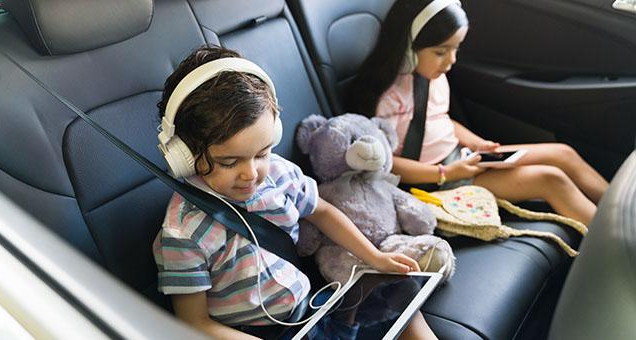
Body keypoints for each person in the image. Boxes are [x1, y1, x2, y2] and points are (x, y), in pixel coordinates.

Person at [152, 45, 437, 340]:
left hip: (315, 306)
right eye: (229, 162)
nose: (251, 174)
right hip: (261, 333)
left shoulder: (277, 173)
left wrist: (375, 257)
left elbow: (322, 211)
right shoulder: (182, 233)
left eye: (262, 153)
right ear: (184, 155)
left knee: (401, 306)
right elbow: (194, 323)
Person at [347, 0, 608, 225]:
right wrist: (446, 174)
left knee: (563, 153)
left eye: (455, 48)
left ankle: (624, 213)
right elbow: (387, 163)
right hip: (435, 183)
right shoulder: (388, 98)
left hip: (463, 160)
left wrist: (475, 143)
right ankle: (617, 245)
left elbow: (439, 120)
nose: (451, 60)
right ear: (408, 47)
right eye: (441, 52)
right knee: (550, 179)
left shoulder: (433, 78)